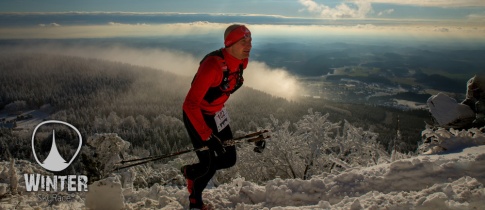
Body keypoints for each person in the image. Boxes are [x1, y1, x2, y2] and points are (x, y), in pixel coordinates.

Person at [181, 24, 252, 210]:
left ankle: (191, 172)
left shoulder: (242, 62)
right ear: (229, 43)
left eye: (250, 40)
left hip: (217, 114)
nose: (249, 45)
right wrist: (206, 135)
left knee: (229, 159)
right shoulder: (212, 66)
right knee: (208, 164)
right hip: (197, 115)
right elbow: (190, 104)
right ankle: (195, 202)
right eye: (243, 41)